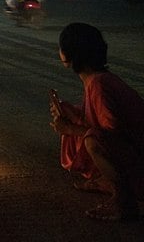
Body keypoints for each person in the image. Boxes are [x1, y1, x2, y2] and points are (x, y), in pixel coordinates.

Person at [49, 23, 144, 221]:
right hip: (134, 155)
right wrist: (72, 113)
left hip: (138, 160)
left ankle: (124, 202)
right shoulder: (97, 80)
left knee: (93, 141)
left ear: (69, 55)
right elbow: (96, 122)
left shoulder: (99, 84)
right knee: (86, 132)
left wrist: (70, 128)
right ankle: (107, 181)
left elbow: (110, 135)